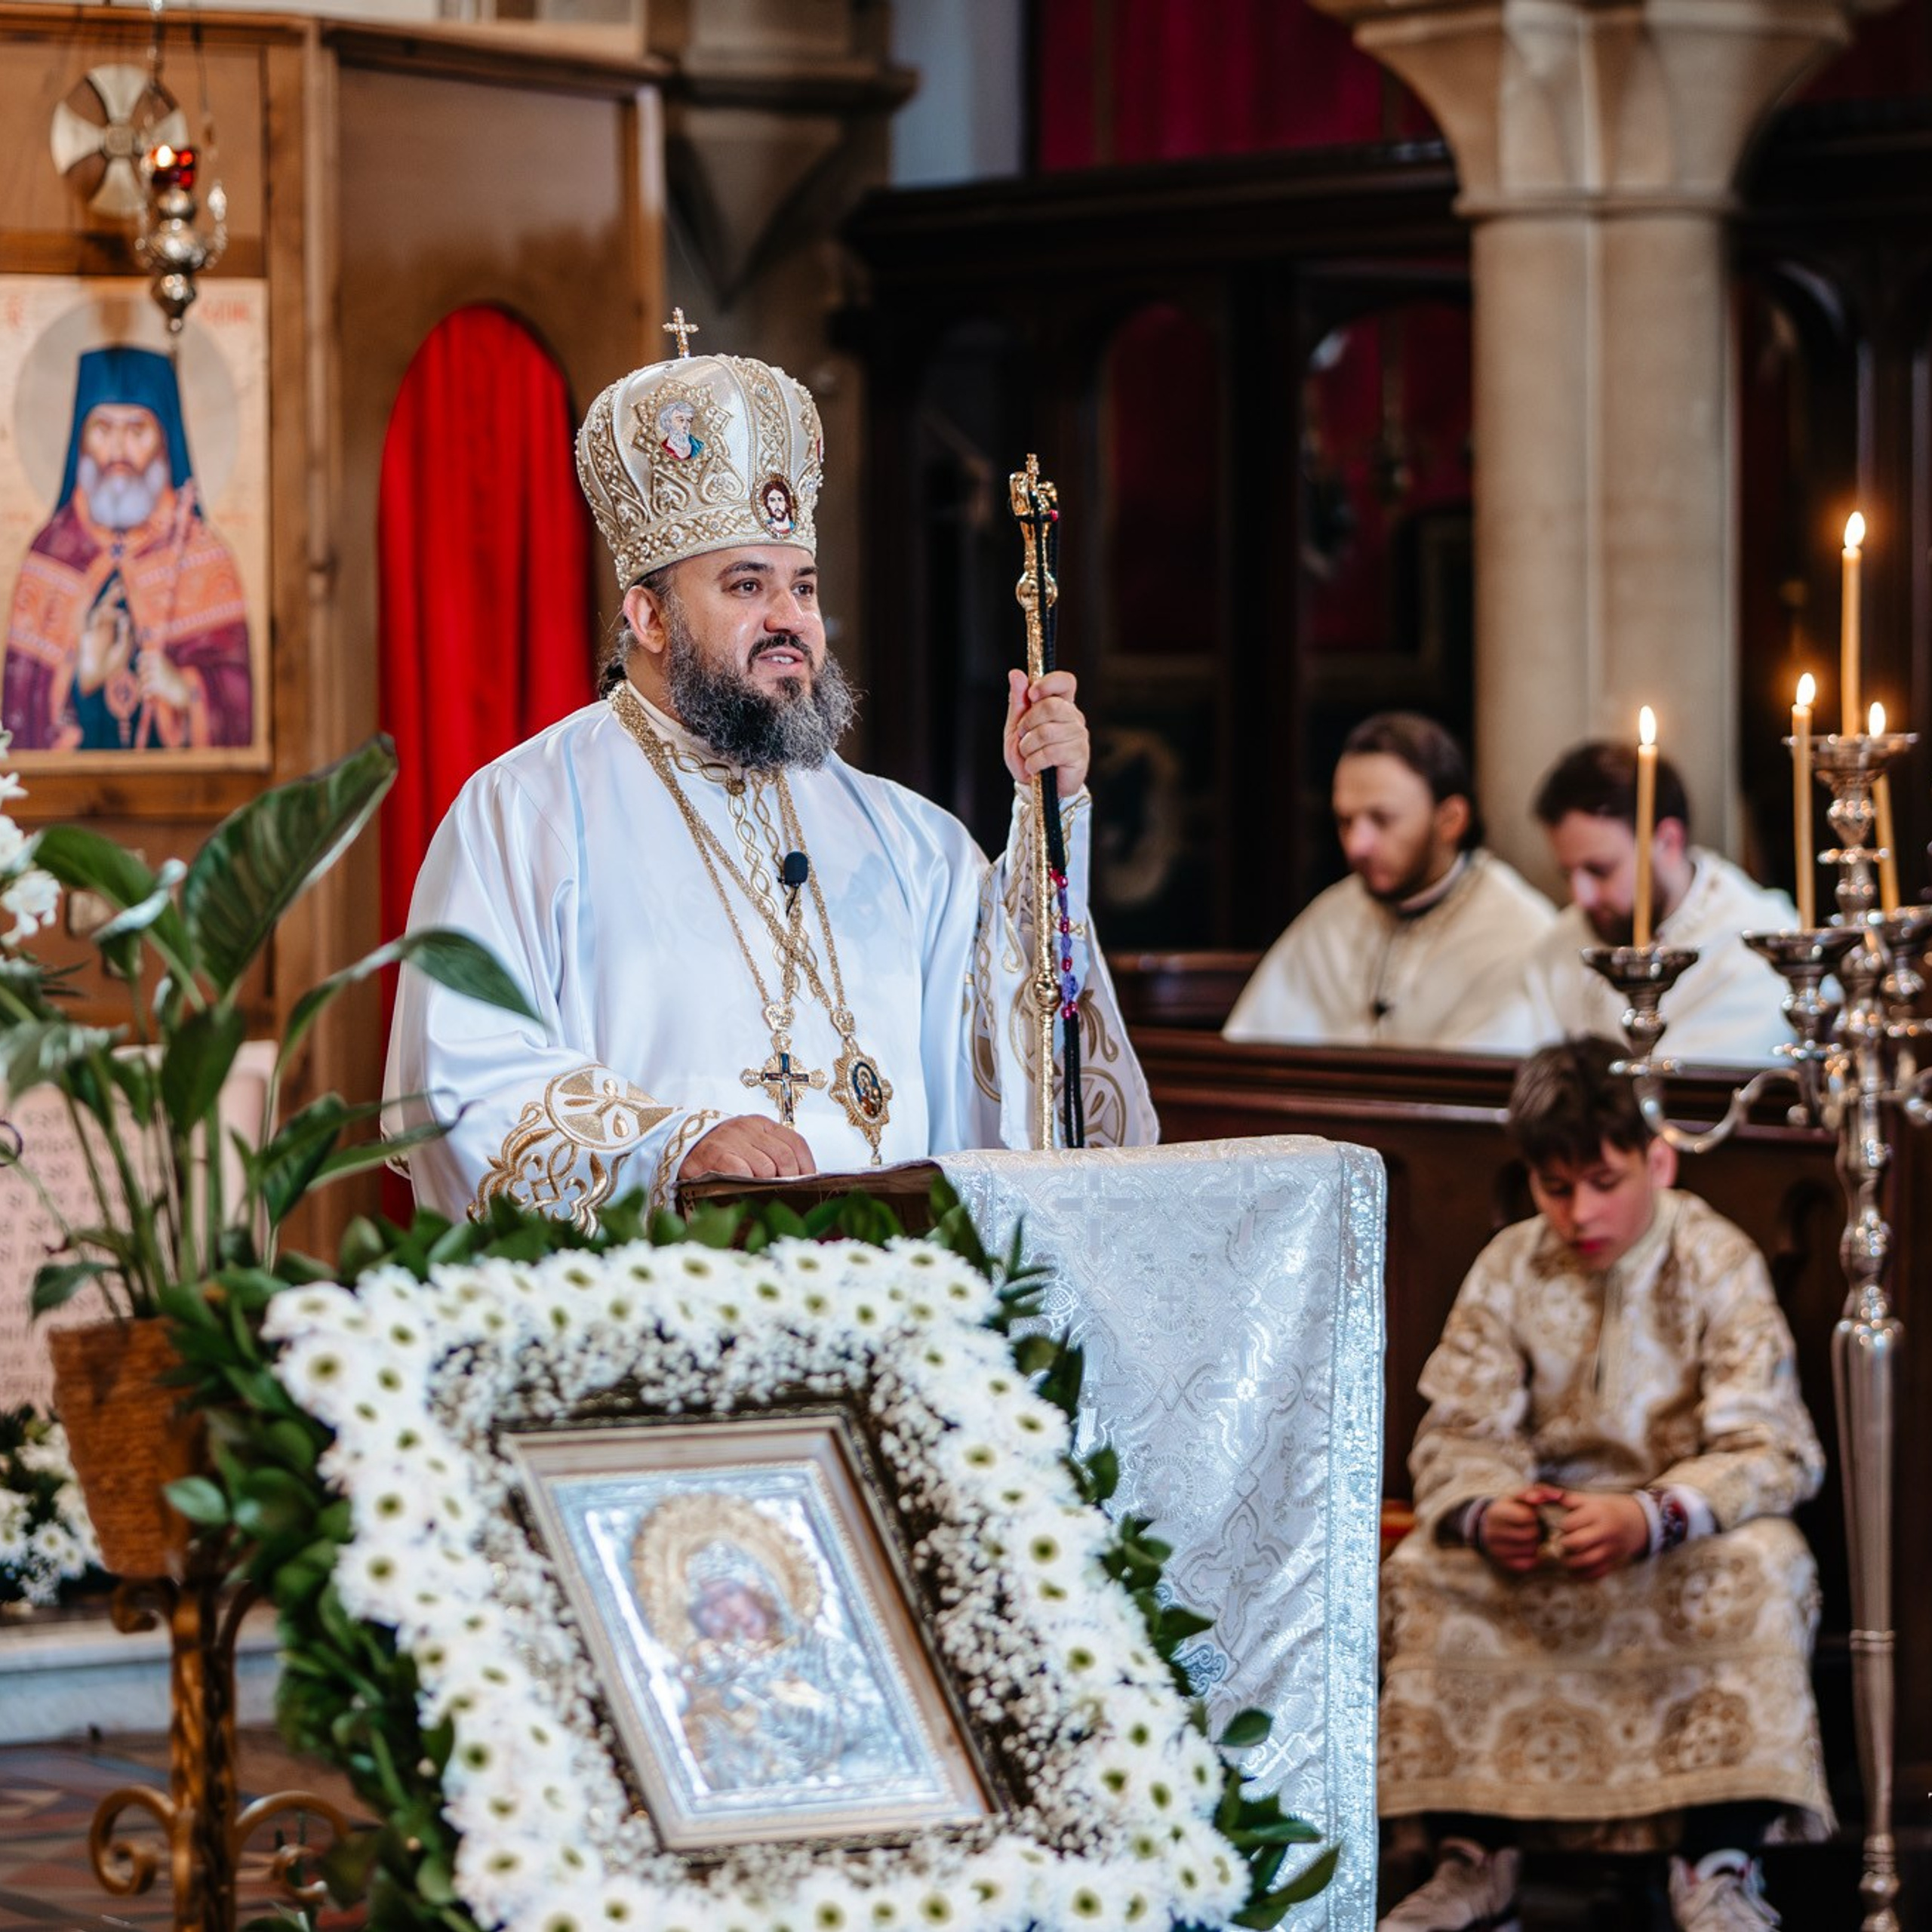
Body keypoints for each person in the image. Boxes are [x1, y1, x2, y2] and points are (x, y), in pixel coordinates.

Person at [384, 322, 1155, 1226]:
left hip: (892, 1303)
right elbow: (459, 1079)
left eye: (805, 586)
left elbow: (1022, 1061)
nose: (790, 617)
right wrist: (668, 1147)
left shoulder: (910, 838)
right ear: (650, 616)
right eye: (747, 586)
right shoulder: (523, 812)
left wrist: (1050, 823)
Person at [1377, 1038, 1829, 1932]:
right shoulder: (1510, 1264)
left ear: (1654, 1159)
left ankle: (1716, 1862)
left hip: (1675, 1532)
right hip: (1544, 1537)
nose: (1579, 1212)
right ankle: (1474, 1857)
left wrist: (1649, 1515)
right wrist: (1486, 1511)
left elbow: (1771, 1443)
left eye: (1603, 1180)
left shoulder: (1715, 1257)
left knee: (1766, 1564)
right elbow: (1457, 1432)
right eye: (1554, 1186)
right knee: (1428, 1569)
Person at [1223, 712, 1555, 1051]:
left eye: (1381, 820)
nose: (1356, 845)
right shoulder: (1331, 916)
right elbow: (1250, 1053)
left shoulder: (1518, 931)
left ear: (1450, 821)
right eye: (1345, 821)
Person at [3, 345, 251, 752]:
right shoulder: (50, 556)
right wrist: (81, 675)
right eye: (103, 429)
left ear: (165, 442)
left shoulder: (200, 555)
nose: (118, 452)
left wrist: (183, 689)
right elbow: (18, 721)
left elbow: (239, 713)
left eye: (137, 430)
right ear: (80, 442)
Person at [1504, 743, 1796, 1065]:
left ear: (1668, 841)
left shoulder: (1755, 945)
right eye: (1568, 874)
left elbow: (1698, 1090)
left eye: (1599, 870)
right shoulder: (1559, 945)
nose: (1581, 897)